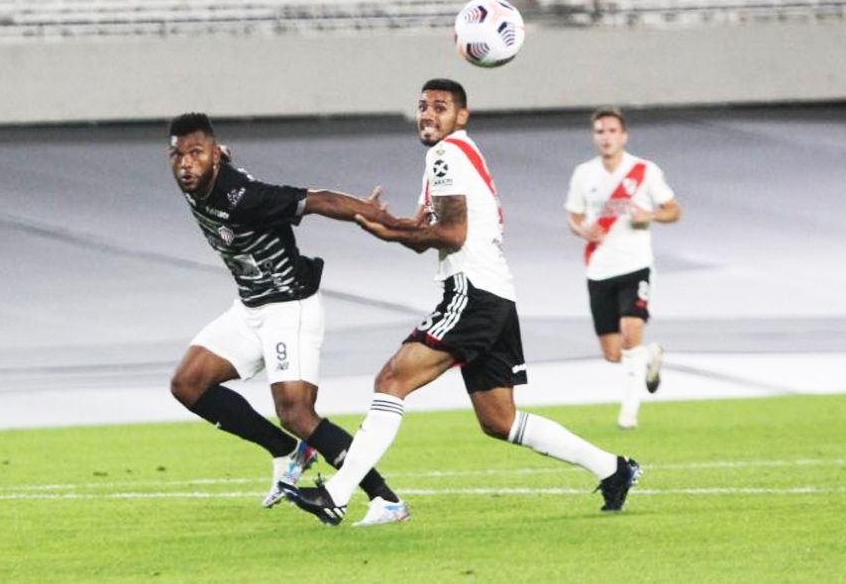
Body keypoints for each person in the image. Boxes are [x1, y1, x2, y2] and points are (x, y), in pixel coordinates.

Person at [279, 80, 640, 526]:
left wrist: (391, 230)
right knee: (499, 419)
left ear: (461, 116)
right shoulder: (458, 157)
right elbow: (423, 234)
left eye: (440, 107)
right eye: (422, 106)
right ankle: (613, 469)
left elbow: (451, 234)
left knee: (391, 379)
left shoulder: (446, 155)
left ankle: (338, 493)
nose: (428, 114)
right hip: (496, 295)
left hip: (472, 293)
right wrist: (386, 224)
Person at [166, 112, 410, 526]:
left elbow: (319, 200)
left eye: (196, 153)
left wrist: (377, 215)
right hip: (249, 309)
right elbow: (214, 155)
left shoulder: (243, 196)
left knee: (297, 413)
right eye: (177, 155)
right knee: (187, 384)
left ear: (212, 157)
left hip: (289, 308)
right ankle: (286, 451)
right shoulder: (198, 175)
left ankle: (385, 499)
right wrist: (217, 153)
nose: (186, 164)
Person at [565, 108, 680, 429]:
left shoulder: (644, 171)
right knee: (614, 353)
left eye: (612, 131)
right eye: (600, 131)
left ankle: (628, 413)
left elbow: (673, 210)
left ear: (623, 136)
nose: (606, 137)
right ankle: (650, 356)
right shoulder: (584, 174)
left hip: (635, 265)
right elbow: (573, 215)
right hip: (599, 269)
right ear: (594, 137)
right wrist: (581, 229)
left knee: (631, 335)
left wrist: (652, 215)